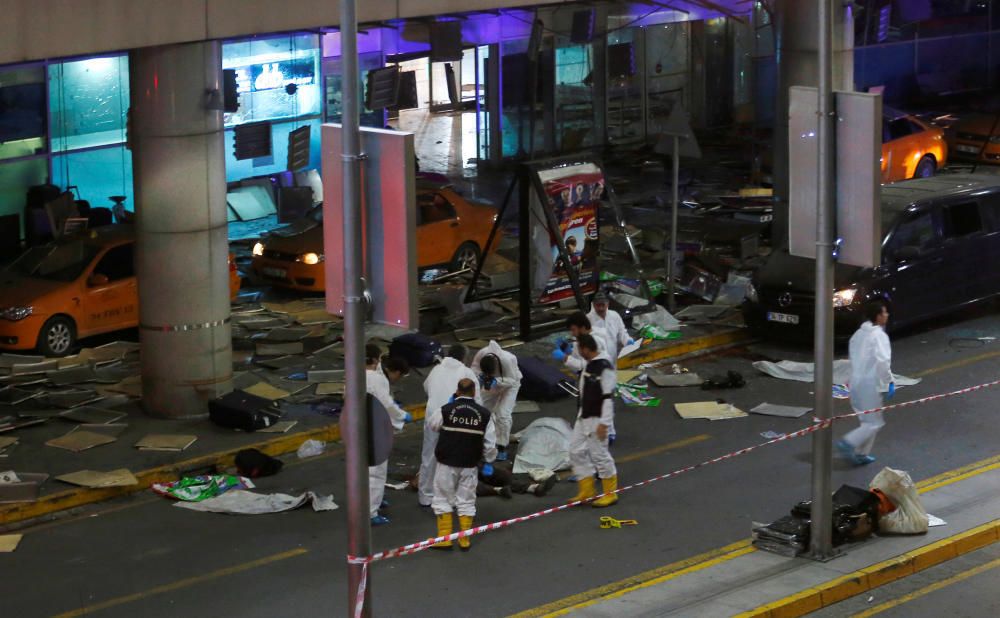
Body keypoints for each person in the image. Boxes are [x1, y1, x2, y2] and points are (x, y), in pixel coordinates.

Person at [426, 378, 497, 551]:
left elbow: (432, 426)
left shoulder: (446, 410)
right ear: (474, 392)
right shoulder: (485, 414)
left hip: (446, 461)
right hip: (469, 464)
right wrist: (488, 461)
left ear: (457, 392)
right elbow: (490, 444)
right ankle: (464, 539)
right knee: (466, 500)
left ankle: (445, 538)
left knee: (442, 497)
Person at [418, 344, 481, 507]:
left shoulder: (436, 370)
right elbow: (476, 400)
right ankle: (447, 497)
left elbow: (426, 388)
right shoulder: (467, 373)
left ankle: (425, 495)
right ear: (464, 357)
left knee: (429, 455)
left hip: (433, 416)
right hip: (455, 418)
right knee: (452, 458)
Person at [838, 301, 894, 466]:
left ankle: (862, 453)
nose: (887, 315)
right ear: (878, 316)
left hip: (855, 382)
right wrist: (889, 380)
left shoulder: (857, 334)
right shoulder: (879, 336)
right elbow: (883, 361)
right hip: (869, 384)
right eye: (884, 313)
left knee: (867, 421)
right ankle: (848, 443)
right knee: (874, 422)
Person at [569, 334, 619, 507]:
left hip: (597, 419)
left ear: (585, 349)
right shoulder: (590, 364)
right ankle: (587, 489)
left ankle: (610, 493)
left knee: (600, 455)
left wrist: (604, 424)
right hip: (584, 416)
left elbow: (608, 398)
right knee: (575, 451)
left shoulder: (604, 368)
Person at [365, 345, 412, 525]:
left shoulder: (354, 375)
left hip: (358, 428)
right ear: (376, 360)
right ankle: (371, 512)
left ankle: (371, 500)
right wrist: (401, 416)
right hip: (375, 429)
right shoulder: (377, 380)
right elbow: (387, 405)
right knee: (376, 471)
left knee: (363, 470)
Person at [471, 340, 522, 462]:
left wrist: (497, 381)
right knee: (481, 409)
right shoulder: (481, 354)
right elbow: (473, 369)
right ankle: (483, 439)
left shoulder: (508, 359)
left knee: (502, 415)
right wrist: (479, 377)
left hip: (510, 385)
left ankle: (502, 445)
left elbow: (513, 380)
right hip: (492, 383)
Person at [587, 291, 633, 363]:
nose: (601, 308)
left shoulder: (614, 315)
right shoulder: (588, 319)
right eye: (598, 305)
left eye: (603, 305)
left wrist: (627, 340)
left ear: (607, 304)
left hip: (614, 355)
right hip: (596, 358)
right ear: (593, 305)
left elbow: (622, 331)